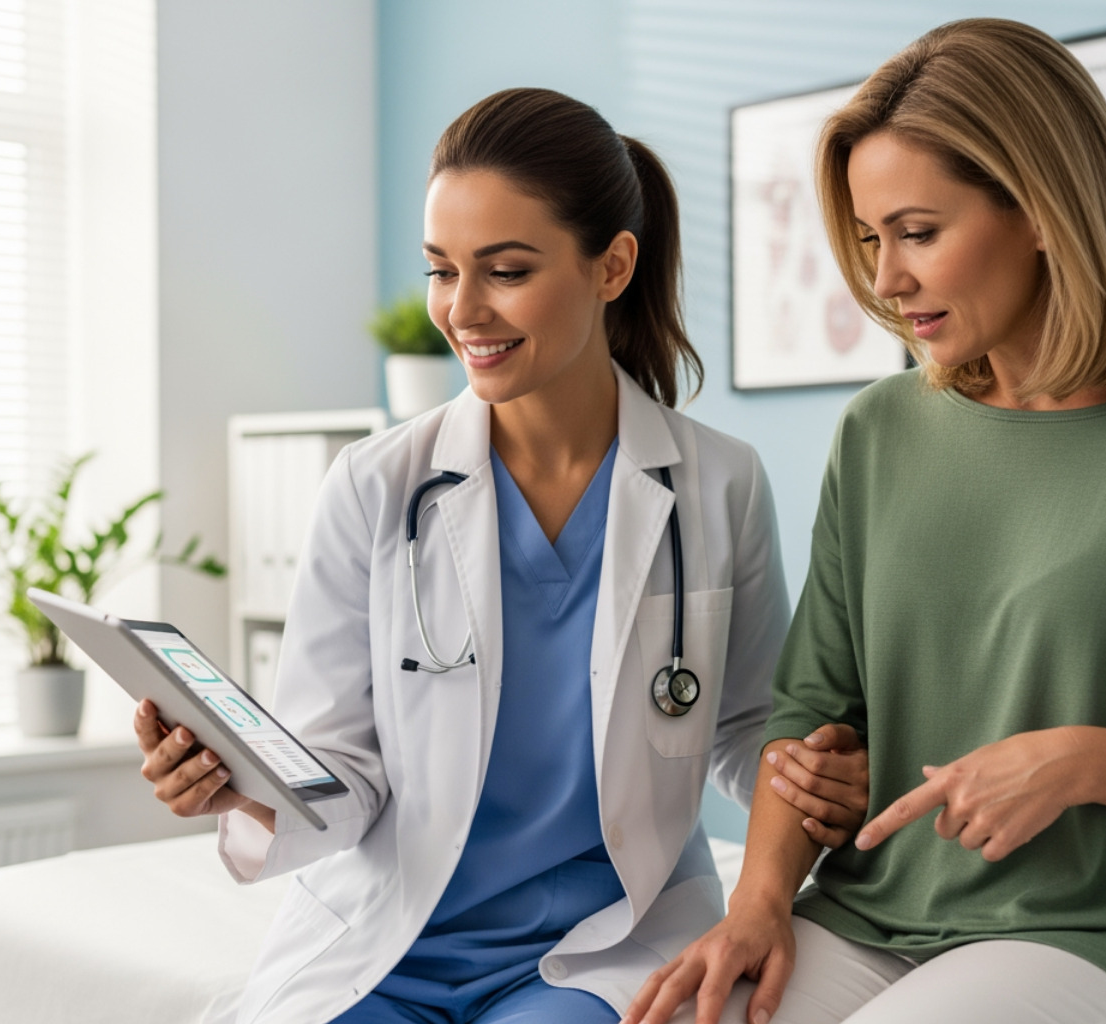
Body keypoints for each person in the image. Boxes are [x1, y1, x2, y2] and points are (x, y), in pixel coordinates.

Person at [626, 19, 1106, 1024]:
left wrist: (1077, 762)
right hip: (867, 913)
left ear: (1041, 210)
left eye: (919, 233)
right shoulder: (880, 431)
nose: (886, 280)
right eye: (871, 239)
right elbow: (810, 717)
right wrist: (759, 903)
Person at [133, 87, 869, 1024]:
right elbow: (340, 764)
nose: (462, 309)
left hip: (600, 947)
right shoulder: (375, 486)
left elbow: (743, 725)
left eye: (507, 271)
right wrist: (242, 790)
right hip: (388, 940)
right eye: (441, 270)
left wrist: (812, 774)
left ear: (613, 267)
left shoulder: (717, 483)